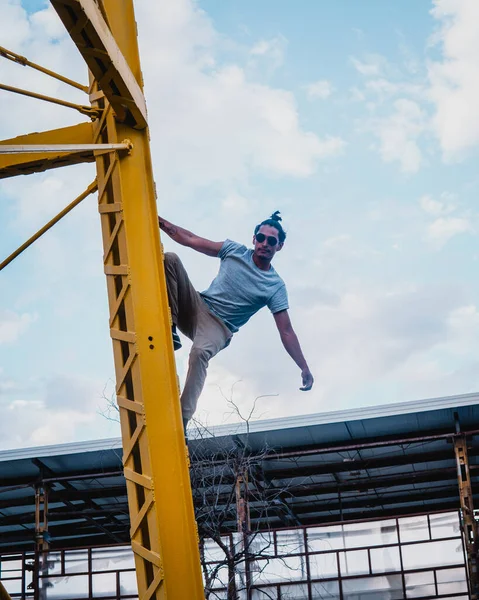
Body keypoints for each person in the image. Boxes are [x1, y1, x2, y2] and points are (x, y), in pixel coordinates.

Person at [158, 211, 314, 430]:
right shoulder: (234, 250)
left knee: (200, 353)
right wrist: (160, 222)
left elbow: (286, 331)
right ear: (254, 239)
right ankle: (170, 327)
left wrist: (303, 367)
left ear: (279, 246)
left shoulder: (275, 286)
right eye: (261, 238)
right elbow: (191, 239)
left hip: (219, 327)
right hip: (197, 305)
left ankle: (181, 420)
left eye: (271, 241)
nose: (264, 244)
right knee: (171, 259)